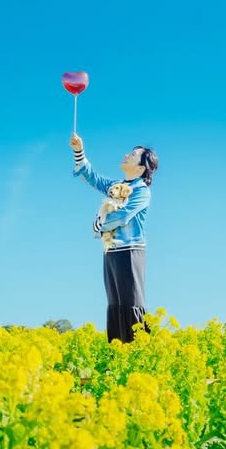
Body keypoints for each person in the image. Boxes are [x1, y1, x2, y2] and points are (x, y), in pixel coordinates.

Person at [70, 133, 159, 343]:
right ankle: (117, 353)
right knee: (115, 303)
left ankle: (139, 352)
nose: (127, 155)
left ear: (140, 168)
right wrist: (78, 151)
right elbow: (93, 178)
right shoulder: (116, 186)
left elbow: (123, 215)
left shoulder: (141, 190)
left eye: (133, 155)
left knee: (131, 302)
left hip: (130, 251)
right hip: (111, 251)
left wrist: (98, 225)